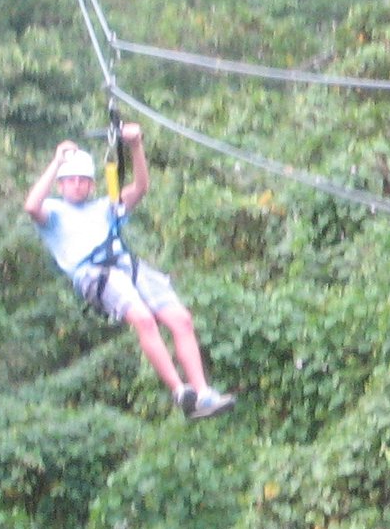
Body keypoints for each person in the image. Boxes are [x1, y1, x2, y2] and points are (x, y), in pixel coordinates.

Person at [24, 125, 234, 419]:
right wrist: (57, 161)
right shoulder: (53, 213)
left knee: (181, 319)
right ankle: (179, 390)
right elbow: (31, 205)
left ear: (91, 185)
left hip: (125, 264)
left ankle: (203, 392)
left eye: (83, 180)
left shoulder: (104, 206)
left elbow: (140, 188)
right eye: (70, 181)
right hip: (94, 274)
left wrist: (135, 146)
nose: (77, 185)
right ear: (60, 185)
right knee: (144, 319)